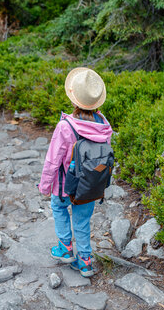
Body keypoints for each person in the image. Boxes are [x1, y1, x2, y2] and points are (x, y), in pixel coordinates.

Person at [37, 67, 113, 277]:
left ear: (73, 99)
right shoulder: (104, 126)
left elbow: (53, 160)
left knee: (58, 207)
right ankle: (85, 261)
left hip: (65, 185)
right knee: (82, 220)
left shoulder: (65, 126)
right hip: (90, 186)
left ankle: (65, 248)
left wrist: (44, 186)